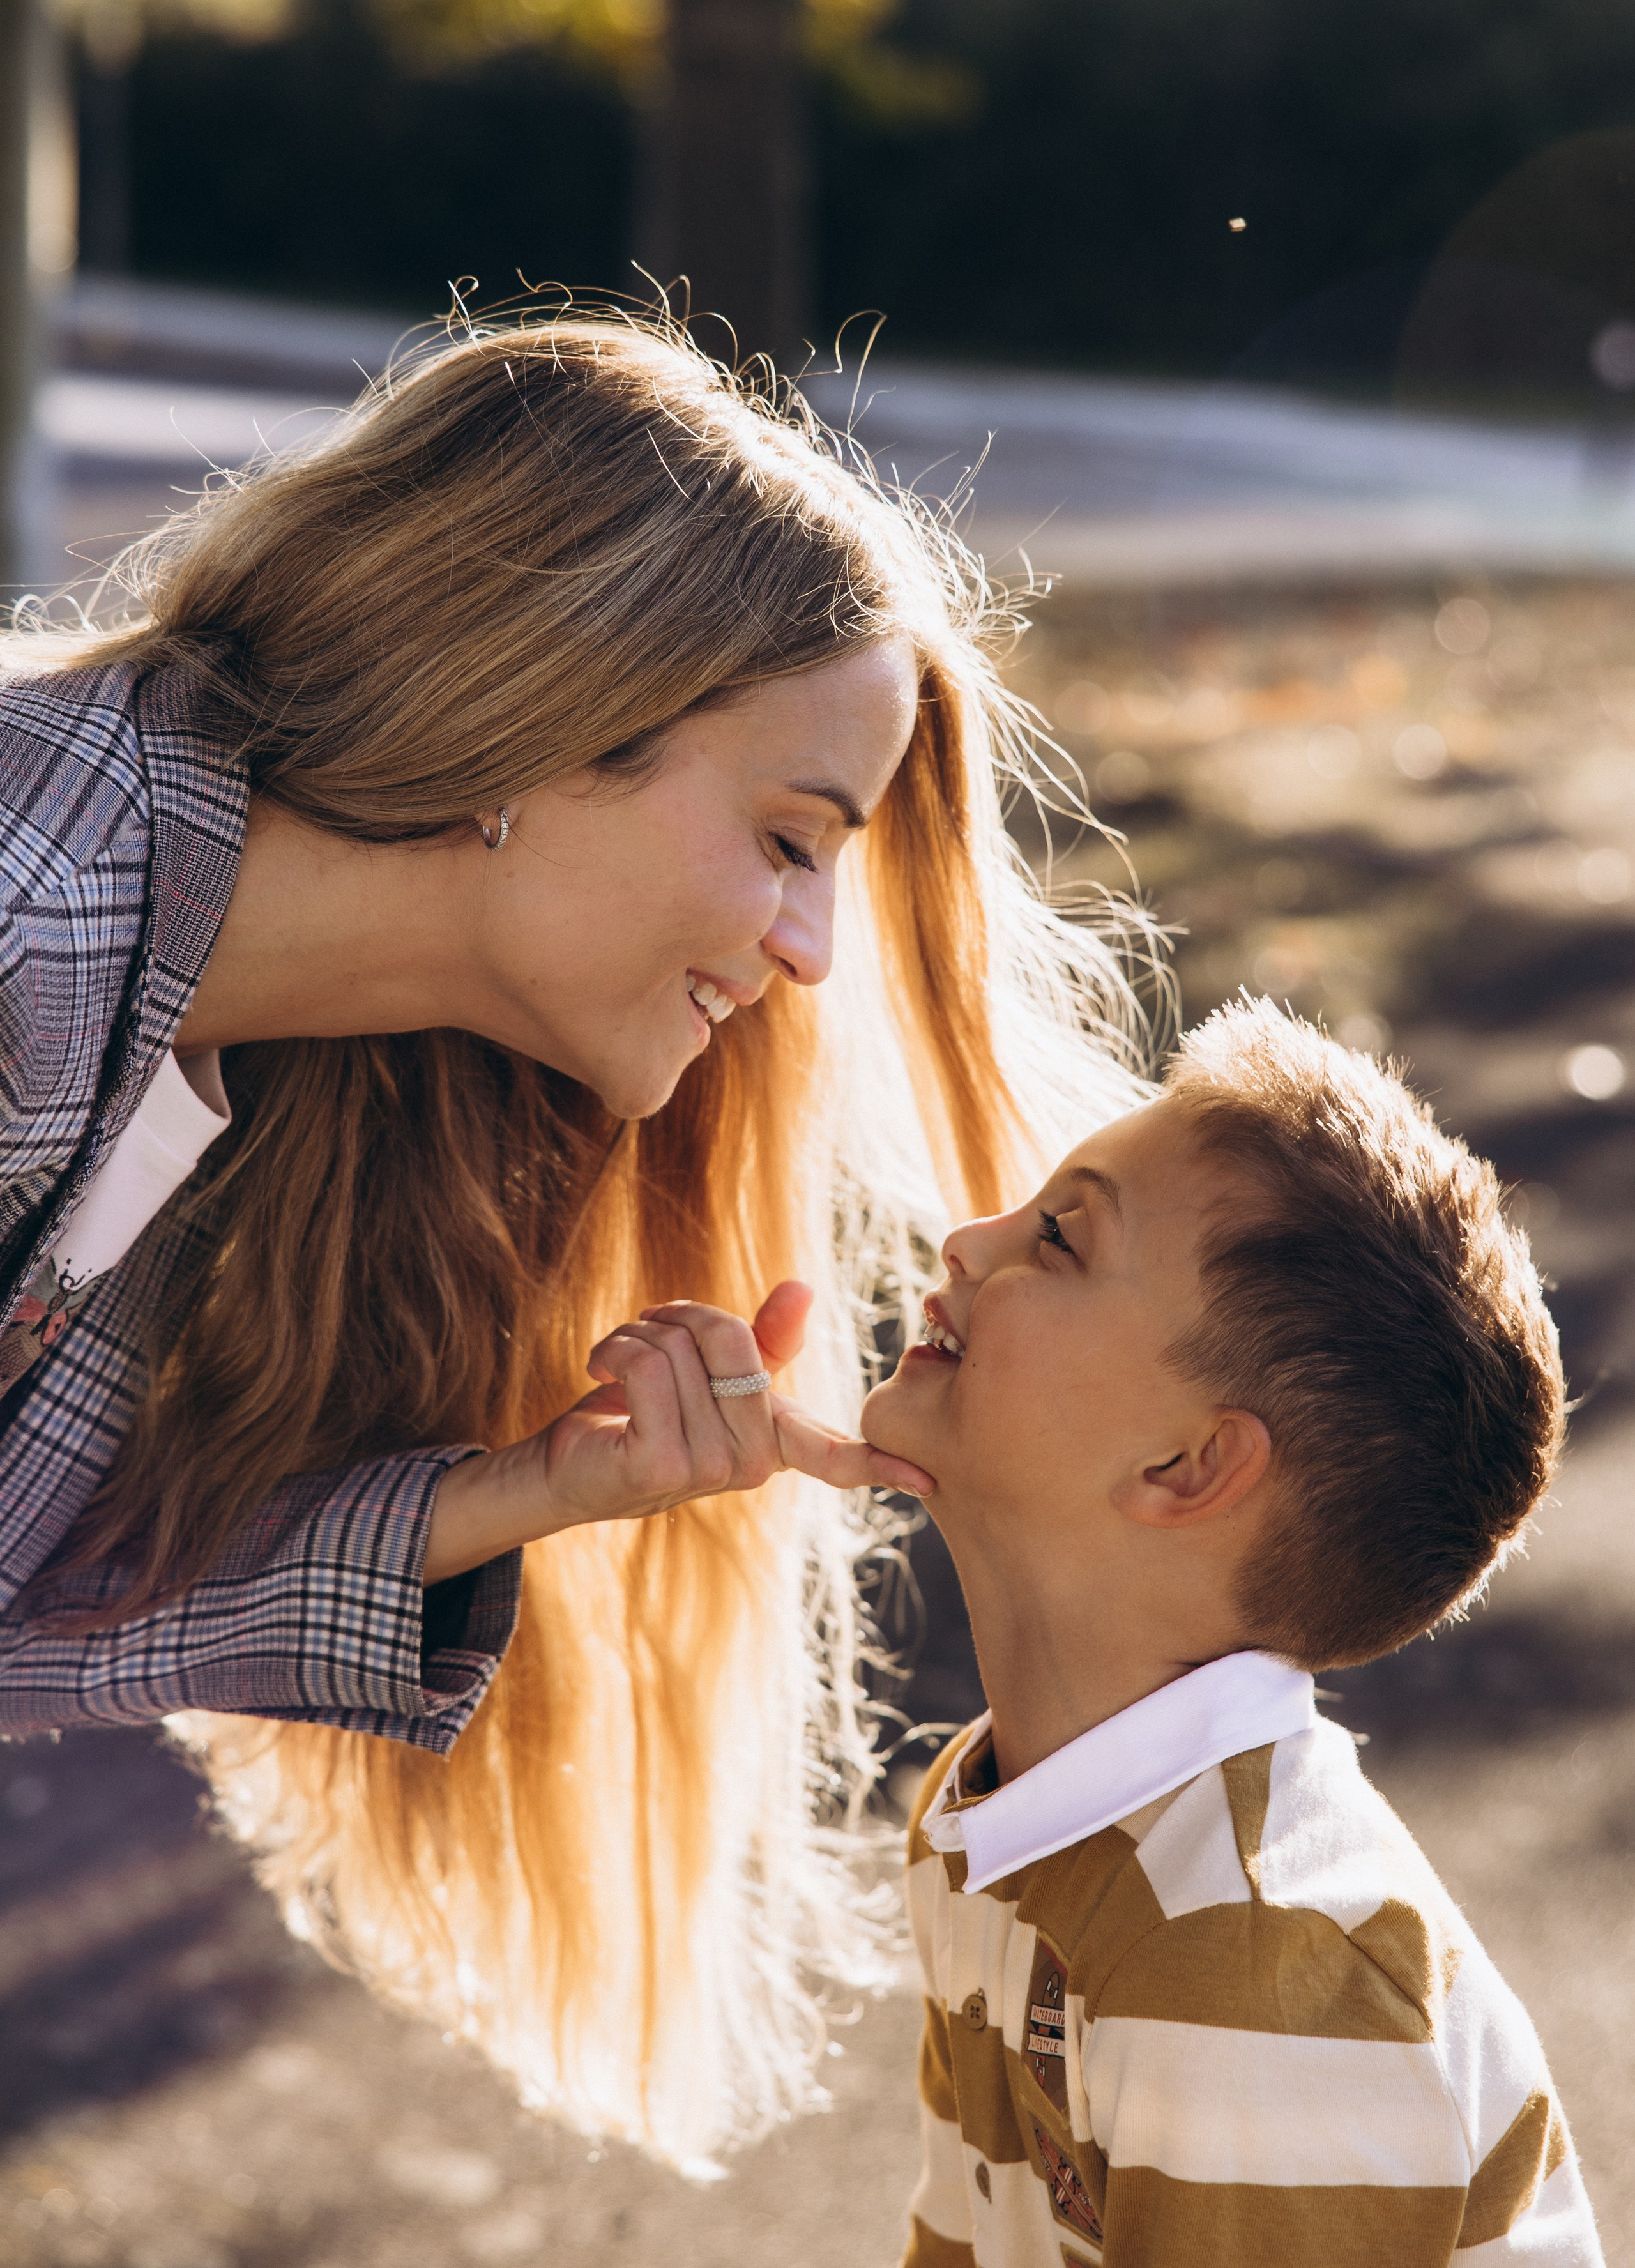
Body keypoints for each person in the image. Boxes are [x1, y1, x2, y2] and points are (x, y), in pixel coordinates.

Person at [0, 311, 1148, 2166]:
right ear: (544, 719)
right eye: (790, 838)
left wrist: (514, 1494)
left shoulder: (192, 1039)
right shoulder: (26, 928)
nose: (807, 954)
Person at [860, 998, 1603, 2265]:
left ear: (1186, 1462)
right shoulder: (994, 1807)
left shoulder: (1255, 1967)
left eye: (1055, 1236)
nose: (966, 1239)